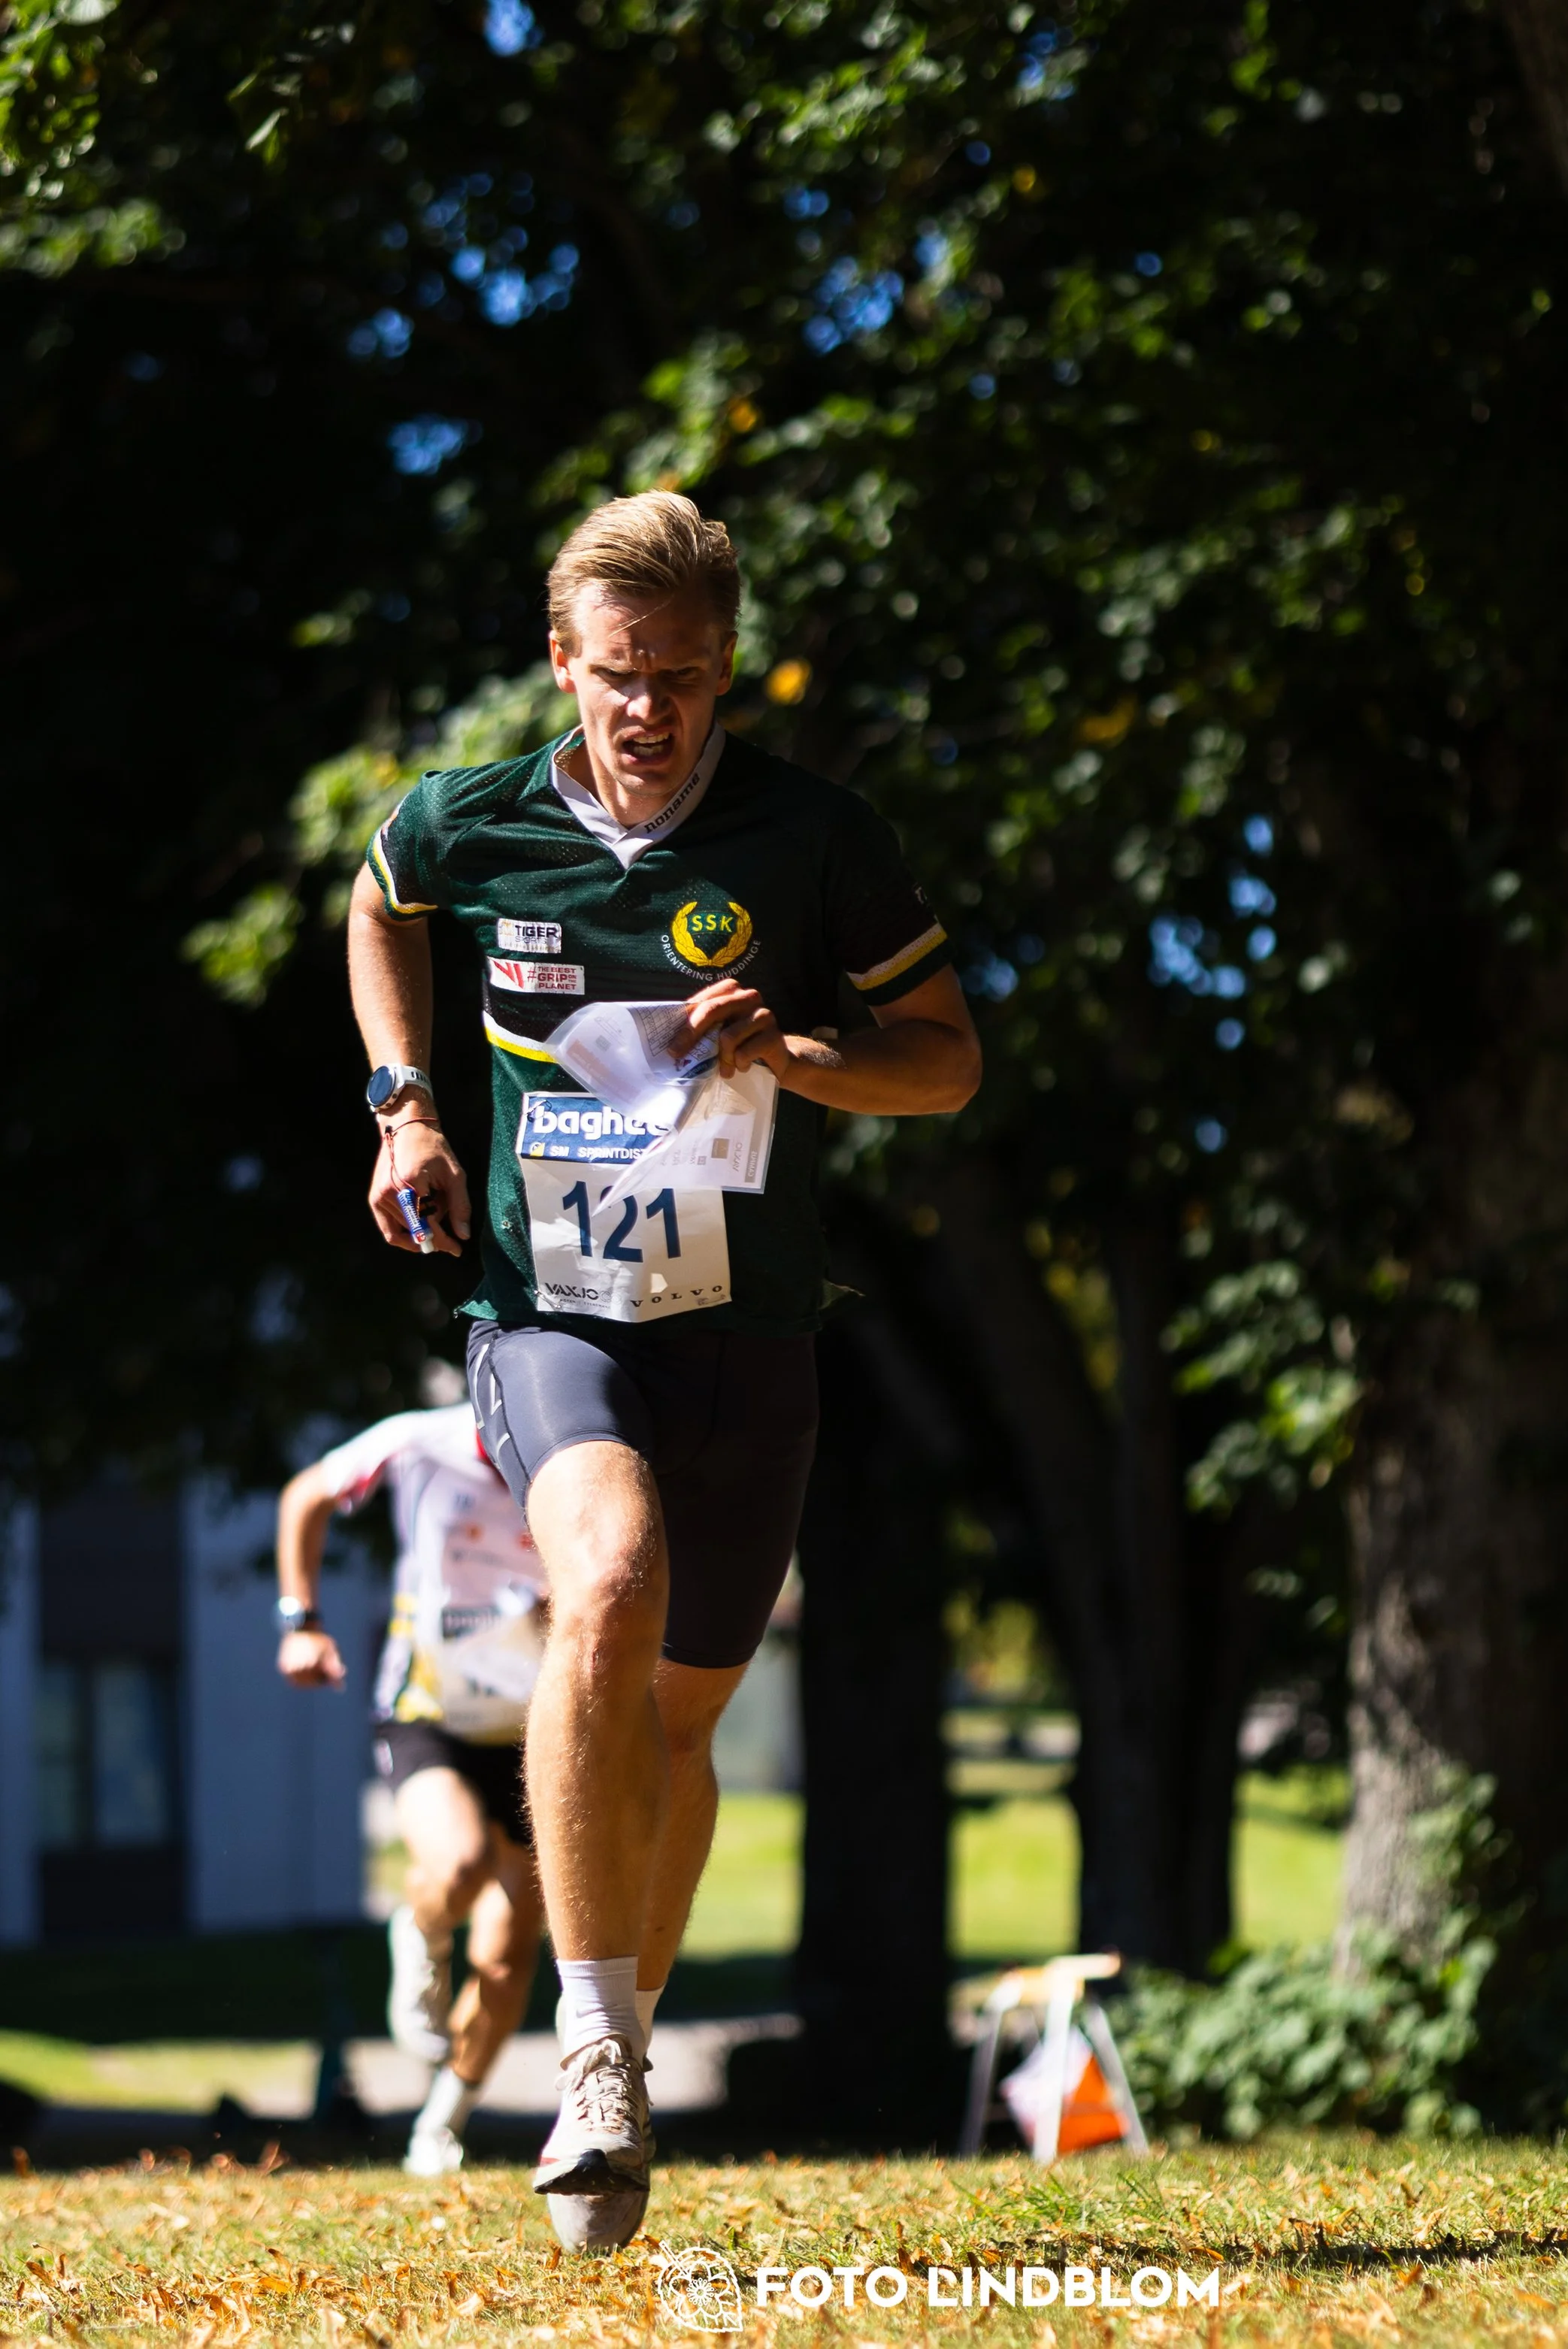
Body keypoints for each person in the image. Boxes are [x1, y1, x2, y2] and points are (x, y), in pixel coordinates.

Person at [346, 491, 981, 2248]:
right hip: (545, 1314)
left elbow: (945, 1066)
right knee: (603, 1574)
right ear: (564, 664)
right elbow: (380, 903)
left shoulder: (813, 840)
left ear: (726, 680)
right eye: (621, 676)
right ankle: (596, 2051)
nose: (650, 712)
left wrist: (800, 1045)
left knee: (682, 1724)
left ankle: (617, 2036)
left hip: (751, 1332)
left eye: (686, 680)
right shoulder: (468, 820)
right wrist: (407, 1105)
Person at [276, 1397, 548, 2177]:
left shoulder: (573, 1447)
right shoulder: (416, 1440)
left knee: (507, 1954)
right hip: (428, 1709)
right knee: (458, 1861)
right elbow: (306, 1493)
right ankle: (419, 1930)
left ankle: (442, 2118)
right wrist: (302, 1619)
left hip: (536, 1725)